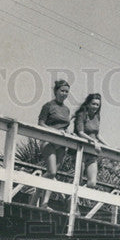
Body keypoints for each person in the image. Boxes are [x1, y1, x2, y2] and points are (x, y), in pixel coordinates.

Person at [37, 79, 71, 207]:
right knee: (51, 172)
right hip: (48, 141)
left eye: (67, 92)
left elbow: (64, 125)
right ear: (56, 91)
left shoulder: (67, 110)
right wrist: (54, 131)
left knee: (53, 174)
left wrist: (68, 133)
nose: (64, 94)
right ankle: (36, 192)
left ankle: (44, 203)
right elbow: (41, 123)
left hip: (62, 144)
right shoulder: (48, 106)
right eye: (62, 91)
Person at [74, 93, 104, 190]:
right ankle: (71, 201)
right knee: (77, 180)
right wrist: (94, 142)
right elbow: (80, 132)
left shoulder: (97, 117)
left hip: (92, 152)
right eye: (93, 104)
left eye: (97, 105)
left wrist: (109, 146)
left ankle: (71, 199)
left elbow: (97, 135)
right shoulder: (81, 114)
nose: (95, 107)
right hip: (81, 150)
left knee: (92, 183)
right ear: (88, 104)